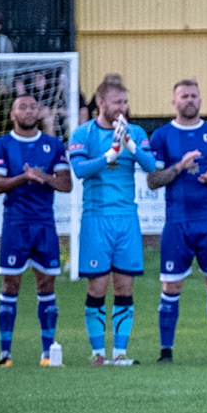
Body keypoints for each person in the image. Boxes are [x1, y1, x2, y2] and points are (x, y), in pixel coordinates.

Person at [68, 75, 158, 365]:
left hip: (127, 219)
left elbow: (151, 166)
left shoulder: (136, 131)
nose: (122, 107)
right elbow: (79, 170)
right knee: (97, 287)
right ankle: (98, 353)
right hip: (96, 219)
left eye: (125, 102)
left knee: (124, 286)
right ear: (100, 102)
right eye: (117, 102)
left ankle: (120, 353)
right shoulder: (84, 133)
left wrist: (130, 145)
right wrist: (109, 155)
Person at [146, 80, 207, 364]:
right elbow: (152, 180)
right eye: (184, 96)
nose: (190, 100)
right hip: (178, 222)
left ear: (200, 99)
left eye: (194, 95)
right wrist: (179, 166)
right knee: (171, 286)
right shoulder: (162, 136)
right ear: (174, 101)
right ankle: (165, 352)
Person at [0, 92, 71, 366]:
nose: (28, 111)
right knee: (10, 283)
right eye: (22, 107)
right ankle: (5, 353)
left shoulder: (53, 145)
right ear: (13, 114)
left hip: (44, 224)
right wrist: (24, 177)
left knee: (46, 283)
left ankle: (47, 352)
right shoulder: (1, 145)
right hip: (15, 225)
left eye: (33, 107)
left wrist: (44, 177)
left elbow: (66, 184)